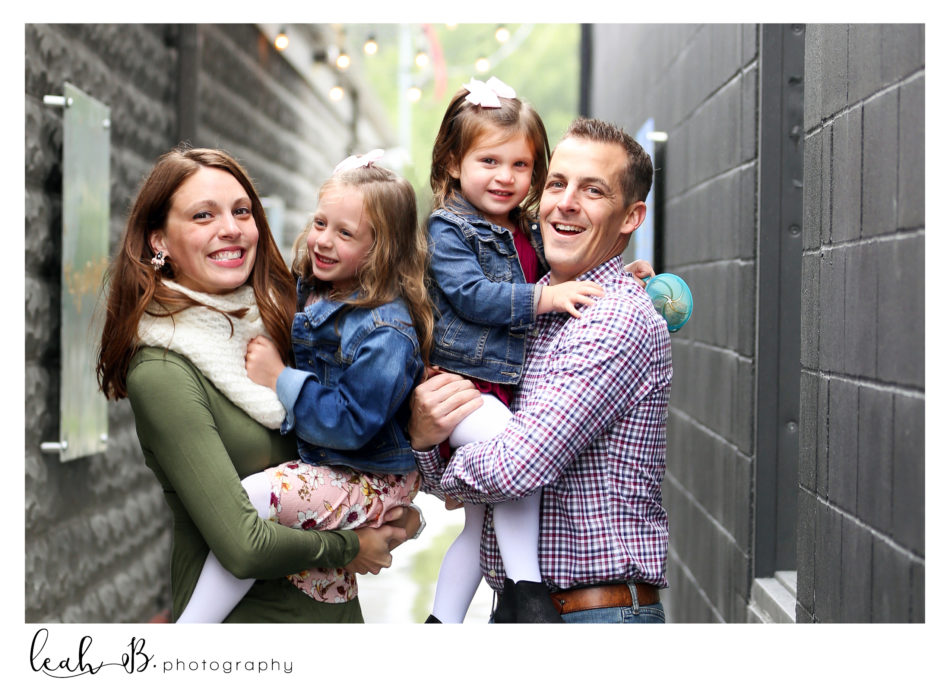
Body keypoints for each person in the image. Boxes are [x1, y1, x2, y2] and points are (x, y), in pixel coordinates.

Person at [97, 147, 419, 623]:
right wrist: (352, 545)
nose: (230, 228)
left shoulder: (290, 322)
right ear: (158, 240)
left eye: (241, 211)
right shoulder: (163, 368)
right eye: (203, 215)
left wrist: (398, 510)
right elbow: (243, 546)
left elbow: (351, 445)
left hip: (335, 617)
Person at [410, 117, 673, 624]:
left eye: (592, 190)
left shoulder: (615, 318)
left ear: (630, 217)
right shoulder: (532, 308)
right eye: (557, 184)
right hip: (523, 611)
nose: (565, 203)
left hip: (594, 620)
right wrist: (425, 439)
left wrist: (439, 461)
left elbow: (516, 469)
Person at [423, 77, 610, 623]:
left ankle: (441, 622)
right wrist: (545, 298)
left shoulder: (526, 229)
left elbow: (569, 267)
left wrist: (623, 272)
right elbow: (471, 294)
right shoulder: (448, 228)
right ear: (453, 163)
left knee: (479, 524)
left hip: (502, 387)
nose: (505, 177)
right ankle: (528, 592)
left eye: (520, 165)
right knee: (515, 453)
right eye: (489, 161)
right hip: (465, 386)